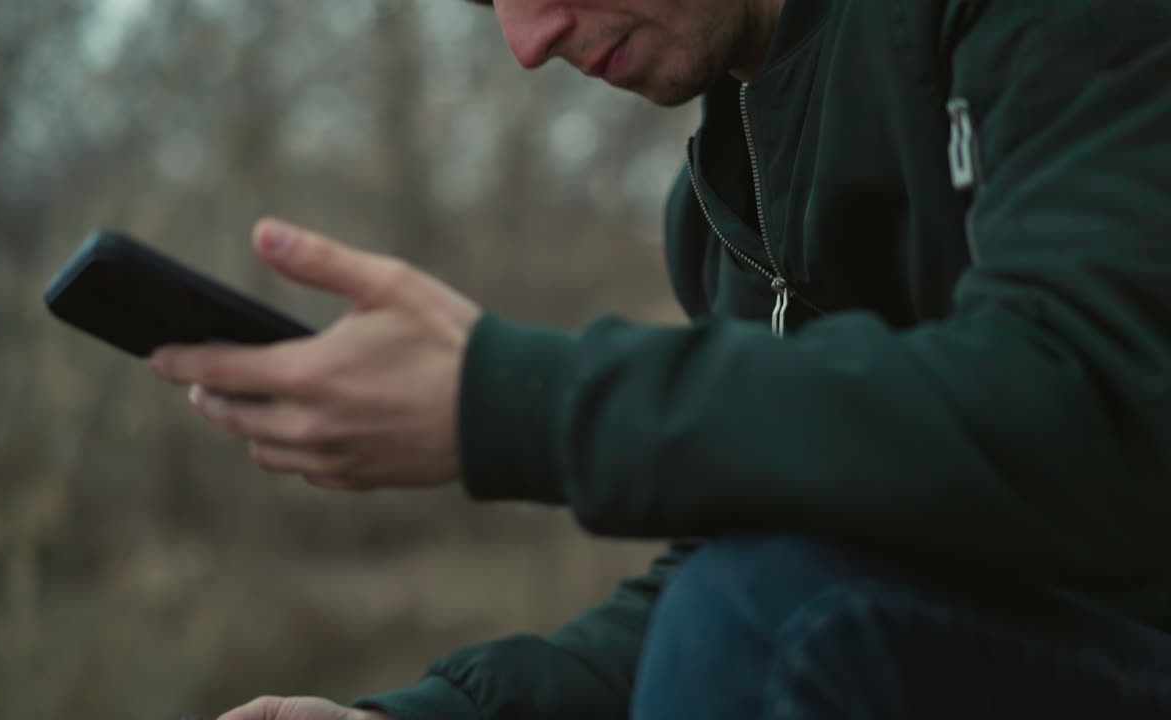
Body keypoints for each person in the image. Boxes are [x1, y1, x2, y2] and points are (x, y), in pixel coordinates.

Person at [148, 0, 1171, 717]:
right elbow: (745, 572)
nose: (524, 40)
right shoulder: (718, 210)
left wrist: (518, 403)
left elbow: (1091, 405)